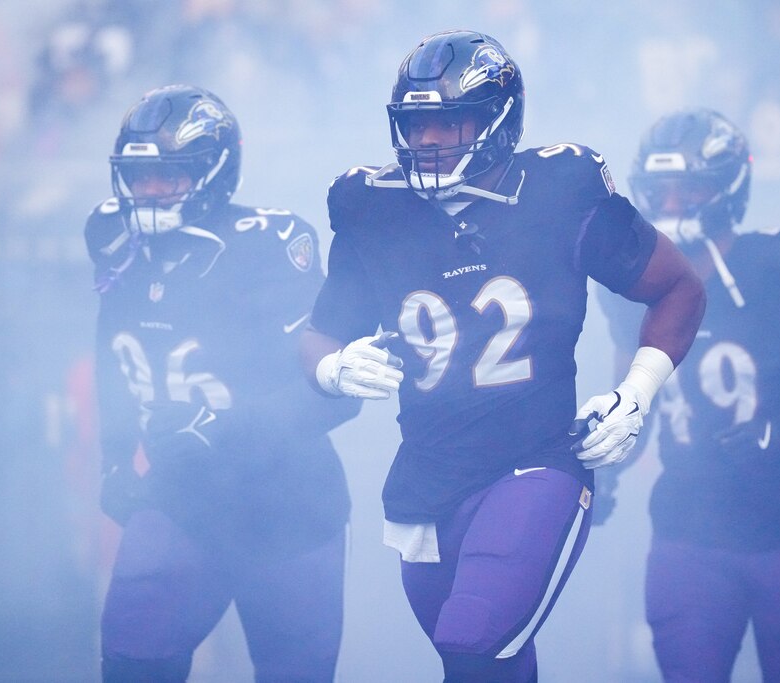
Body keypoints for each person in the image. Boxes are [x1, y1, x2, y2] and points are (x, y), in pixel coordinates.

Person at [299, 30, 706, 682]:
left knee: (474, 640)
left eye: (450, 122)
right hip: (427, 479)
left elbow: (678, 286)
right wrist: (331, 366)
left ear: (497, 119)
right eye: (417, 125)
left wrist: (637, 392)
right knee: (489, 661)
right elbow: (322, 331)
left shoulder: (560, 186)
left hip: (535, 463)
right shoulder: (370, 205)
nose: (428, 141)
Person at [595, 107, 780, 682]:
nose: (674, 205)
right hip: (686, 530)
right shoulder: (632, 285)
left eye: (691, 189)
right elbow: (635, 409)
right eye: (662, 190)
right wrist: (599, 472)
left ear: (726, 191)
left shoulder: (779, 265)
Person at [86, 84, 358, 682]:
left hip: (288, 508)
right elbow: (116, 356)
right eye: (139, 176)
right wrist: (113, 457)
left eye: (169, 176)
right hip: (181, 497)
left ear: (213, 173)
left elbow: (336, 395)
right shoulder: (112, 236)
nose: (149, 191)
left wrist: (222, 427)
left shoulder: (268, 244)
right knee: (132, 660)